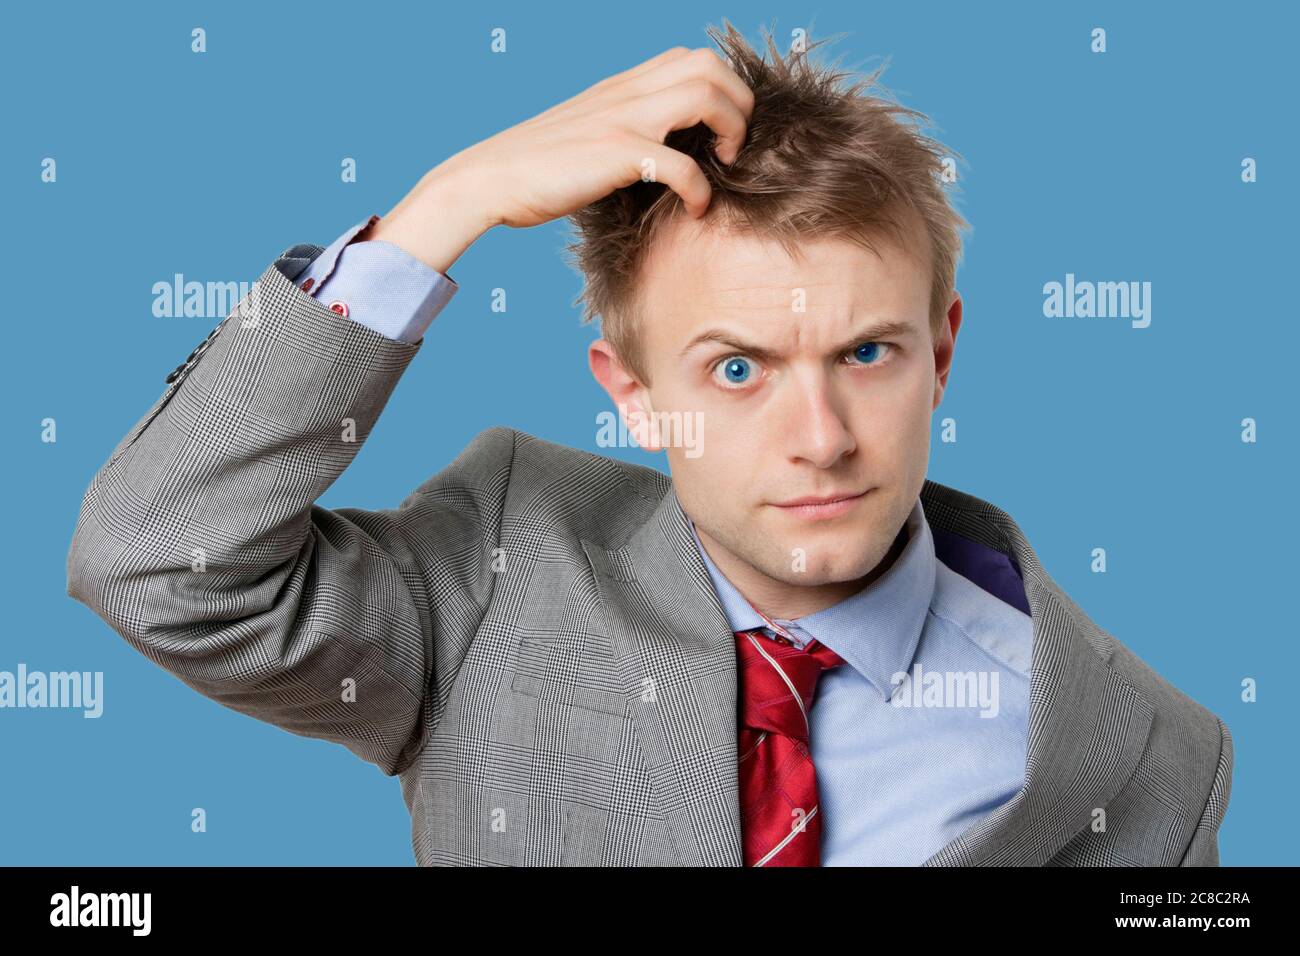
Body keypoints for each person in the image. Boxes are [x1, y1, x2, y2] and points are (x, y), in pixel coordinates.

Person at [66, 22, 1232, 866]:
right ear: (626, 391)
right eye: (738, 369)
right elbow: (160, 564)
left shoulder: (1145, 756)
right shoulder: (495, 572)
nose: (818, 440)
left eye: (867, 354)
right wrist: (446, 207)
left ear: (943, 352)